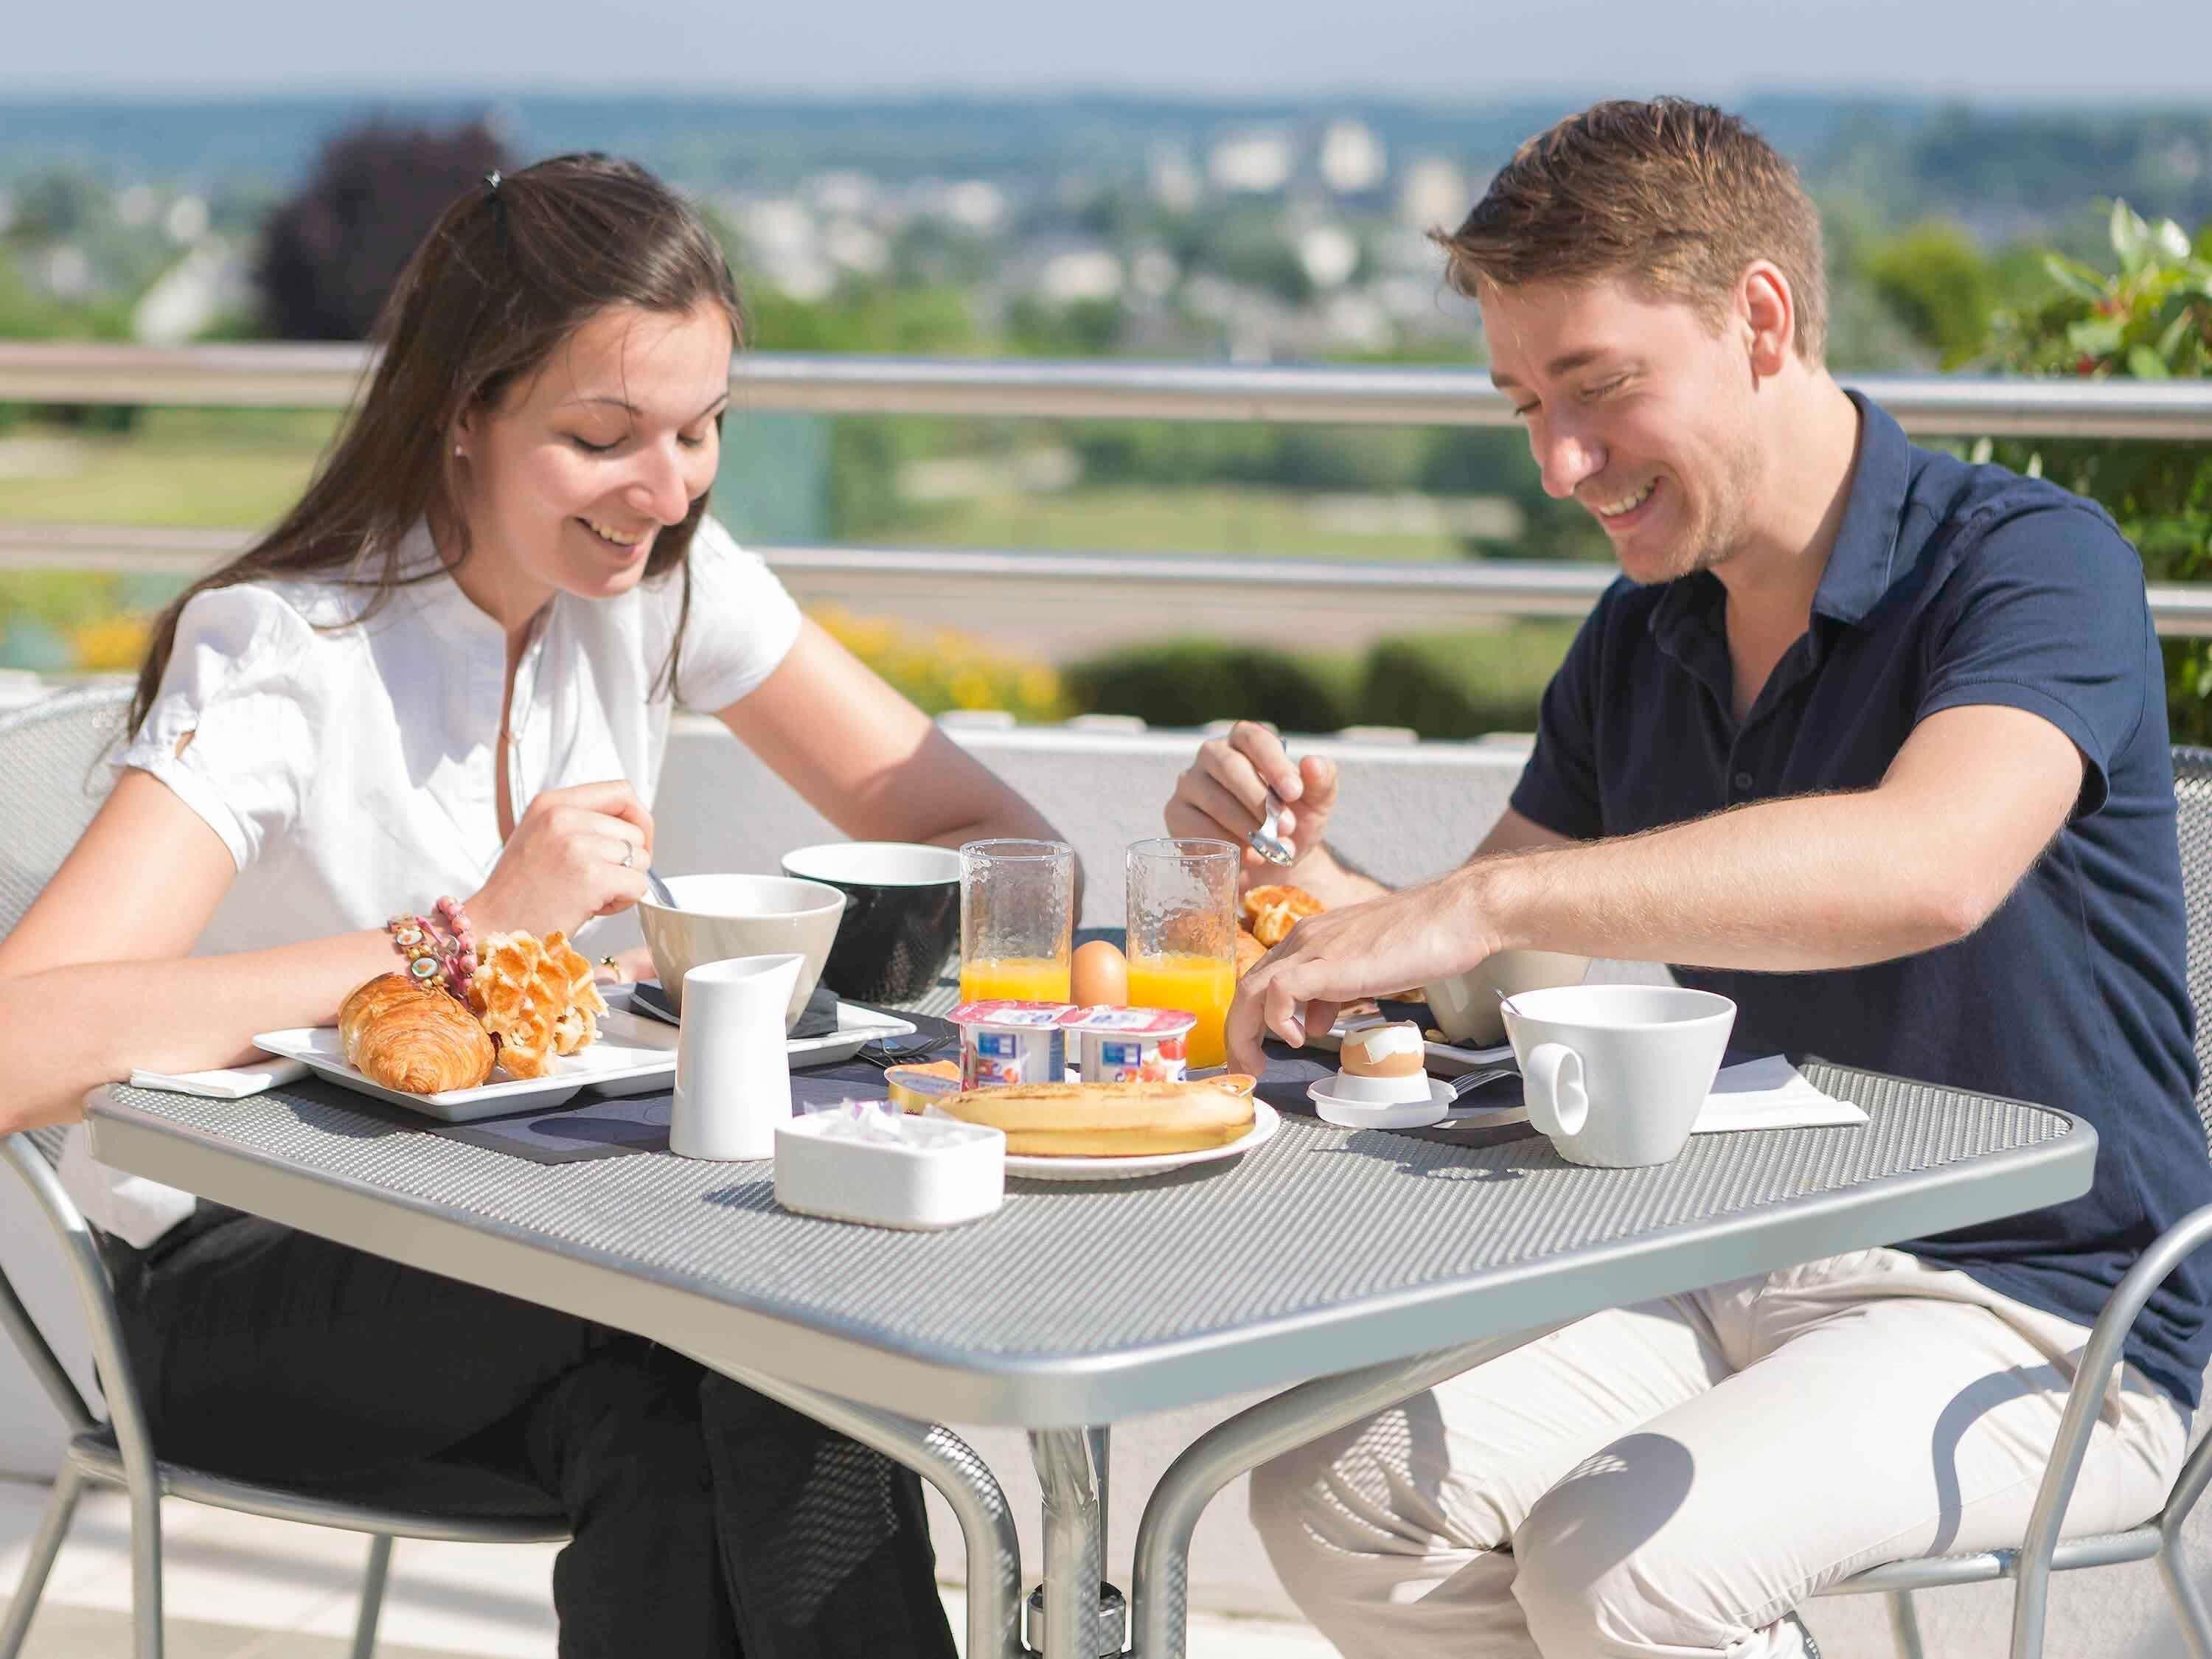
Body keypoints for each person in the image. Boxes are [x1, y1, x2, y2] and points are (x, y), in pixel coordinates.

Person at [1165, 99, 2211, 1658]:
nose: (1559, 464)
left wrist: (1496, 903)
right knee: (1334, 1488)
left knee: (1629, 1571)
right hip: (1728, 1257)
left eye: (1596, 389)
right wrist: (1287, 875)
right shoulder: (1641, 636)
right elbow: (1485, 976)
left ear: (1762, 321)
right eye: (1524, 405)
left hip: (2044, 1311)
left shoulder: (2030, 563)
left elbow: (1933, 865)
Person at [0, 153, 1074, 1658]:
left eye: (702, 432)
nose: (668, 488)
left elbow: (988, 845)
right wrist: (466, 932)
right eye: (602, 436)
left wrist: (768, 960)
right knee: (759, 1319)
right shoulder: (289, 658)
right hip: (228, 1289)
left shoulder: (662, 583)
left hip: (529, 1260)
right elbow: (16, 1043)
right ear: (462, 414)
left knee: (689, 1423)